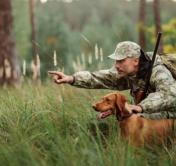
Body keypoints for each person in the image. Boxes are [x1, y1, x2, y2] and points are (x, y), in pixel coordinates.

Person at [48, 41, 176, 119]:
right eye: (116, 61)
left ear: (136, 60)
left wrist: (141, 107)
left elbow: (169, 95)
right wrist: (71, 78)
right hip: (152, 110)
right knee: (131, 117)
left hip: (172, 112)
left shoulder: (157, 71)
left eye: (121, 61)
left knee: (138, 118)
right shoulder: (127, 72)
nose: (116, 65)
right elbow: (99, 77)